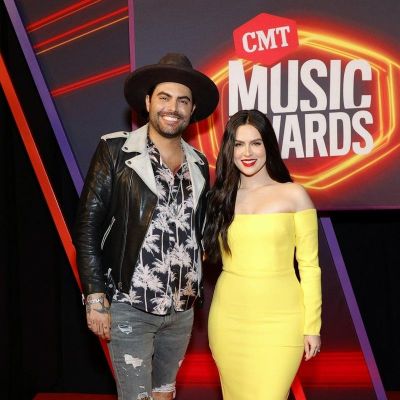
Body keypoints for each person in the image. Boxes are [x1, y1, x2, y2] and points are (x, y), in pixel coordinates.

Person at [73, 53, 219, 400]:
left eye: (183, 100)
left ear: (192, 109)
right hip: (130, 305)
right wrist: (95, 296)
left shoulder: (199, 163)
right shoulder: (116, 150)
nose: (173, 108)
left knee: (164, 394)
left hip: (181, 310)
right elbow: (87, 226)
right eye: (165, 97)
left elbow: (198, 231)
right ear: (148, 101)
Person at [204, 109, 322, 400]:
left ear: (267, 146)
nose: (247, 152)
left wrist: (312, 326)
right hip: (228, 320)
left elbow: (309, 266)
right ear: (229, 150)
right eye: (239, 144)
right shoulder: (219, 199)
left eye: (256, 143)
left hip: (282, 321)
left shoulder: (294, 195)